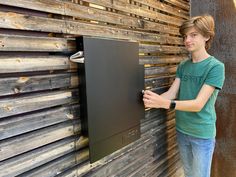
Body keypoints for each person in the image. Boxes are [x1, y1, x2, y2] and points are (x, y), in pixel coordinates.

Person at [143, 15, 225, 177]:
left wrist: (164, 104)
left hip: (202, 134)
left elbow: (198, 104)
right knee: (188, 173)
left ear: (207, 36)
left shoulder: (215, 67)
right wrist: (150, 99)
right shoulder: (183, 65)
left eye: (193, 35)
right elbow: (171, 94)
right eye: (185, 36)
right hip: (182, 130)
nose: (187, 39)